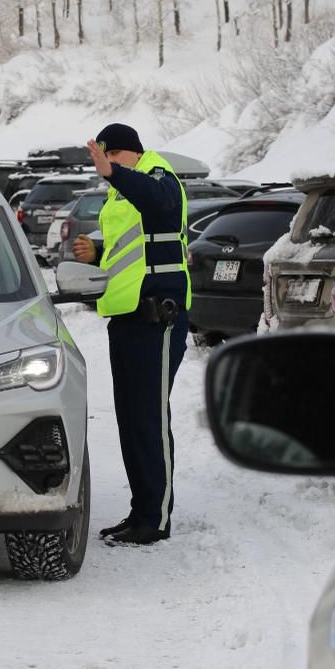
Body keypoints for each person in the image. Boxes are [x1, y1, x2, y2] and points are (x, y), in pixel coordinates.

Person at [73, 123, 190, 546]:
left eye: (113, 159)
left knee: (149, 419)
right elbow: (140, 249)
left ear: (129, 154)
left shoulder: (159, 177)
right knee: (131, 420)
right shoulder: (121, 191)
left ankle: (155, 519)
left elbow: (159, 205)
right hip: (126, 318)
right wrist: (99, 252)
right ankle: (140, 512)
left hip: (157, 319)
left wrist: (114, 173)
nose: (106, 168)